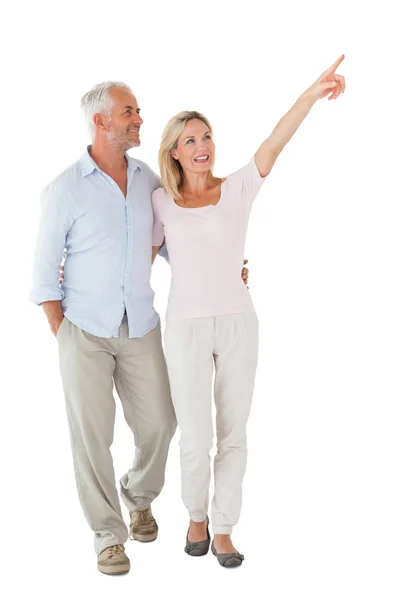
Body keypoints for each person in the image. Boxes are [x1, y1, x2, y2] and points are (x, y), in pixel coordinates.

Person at [29, 81, 250, 575]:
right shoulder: (65, 189)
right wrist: (64, 332)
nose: (139, 120)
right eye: (129, 112)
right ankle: (108, 535)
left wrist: (226, 266)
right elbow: (44, 276)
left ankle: (138, 495)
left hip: (142, 325)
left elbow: (178, 239)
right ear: (101, 121)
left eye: (138, 111)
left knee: (162, 424)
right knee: (92, 439)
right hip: (83, 329)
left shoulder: (150, 180)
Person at [151, 56, 345, 568]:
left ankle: (224, 529)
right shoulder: (160, 203)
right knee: (195, 435)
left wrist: (310, 94)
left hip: (238, 322)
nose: (201, 146)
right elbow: (136, 257)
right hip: (186, 329)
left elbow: (275, 143)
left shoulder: (236, 187)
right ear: (173, 151)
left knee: (234, 434)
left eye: (206, 136)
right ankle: (195, 516)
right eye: (189, 139)